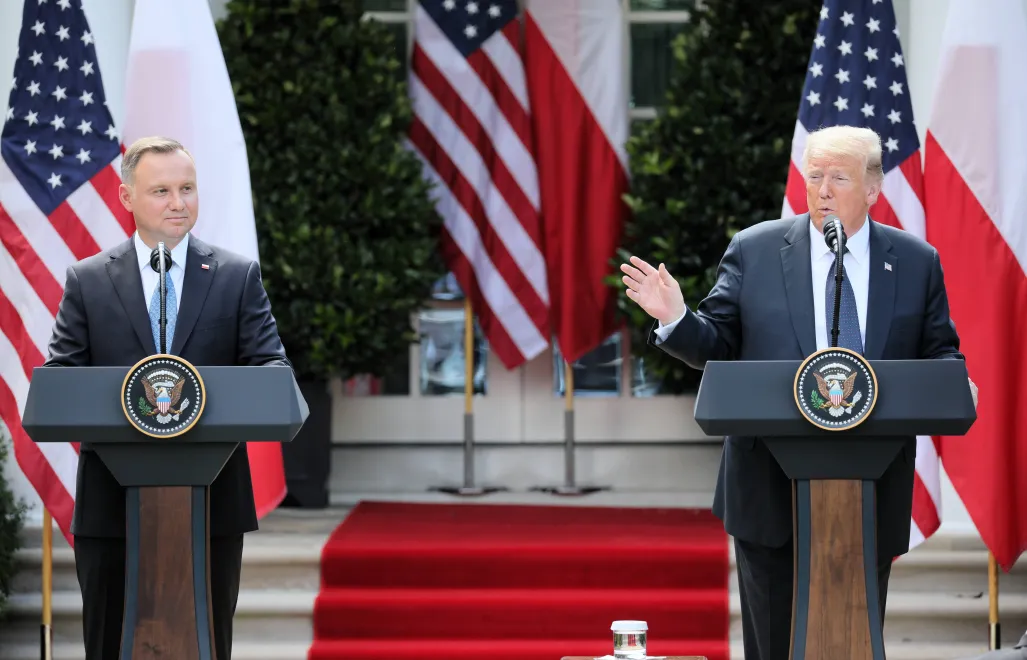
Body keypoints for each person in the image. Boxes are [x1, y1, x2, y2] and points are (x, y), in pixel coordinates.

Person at [620, 125, 978, 660]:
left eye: (839, 177)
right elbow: (717, 344)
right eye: (814, 176)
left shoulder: (914, 261)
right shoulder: (756, 250)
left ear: (873, 188)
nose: (824, 190)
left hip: (870, 491)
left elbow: (938, 352)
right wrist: (676, 317)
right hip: (768, 491)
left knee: (854, 643)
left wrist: (954, 382)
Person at [42, 136, 292, 660]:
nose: (178, 203)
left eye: (187, 189)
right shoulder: (87, 281)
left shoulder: (235, 277)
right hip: (112, 508)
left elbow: (272, 371)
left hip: (211, 508)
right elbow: (62, 380)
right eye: (161, 190)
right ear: (127, 197)